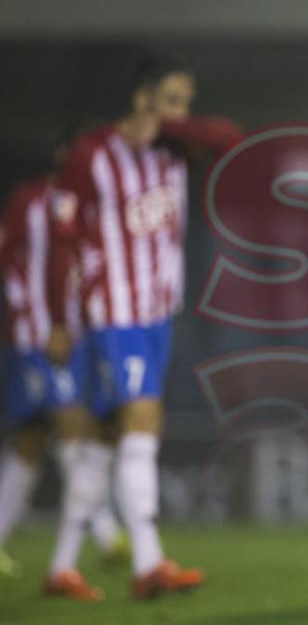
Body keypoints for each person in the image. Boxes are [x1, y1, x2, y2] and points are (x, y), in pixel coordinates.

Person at [50, 54, 240, 599]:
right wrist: (62, 317)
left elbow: (231, 140)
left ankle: (61, 565)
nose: (183, 114)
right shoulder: (92, 155)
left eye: (187, 104)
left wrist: (173, 124)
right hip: (114, 313)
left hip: (158, 313)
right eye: (173, 100)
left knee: (102, 439)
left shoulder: (175, 148)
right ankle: (148, 562)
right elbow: (63, 238)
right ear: (142, 98)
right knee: (142, 419)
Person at [0, 166, 127, 599]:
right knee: (73, 426)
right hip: (36, 335)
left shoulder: (89, 204)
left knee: (30, 443)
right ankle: (107, 534)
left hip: (65, 335)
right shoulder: (33, 199)